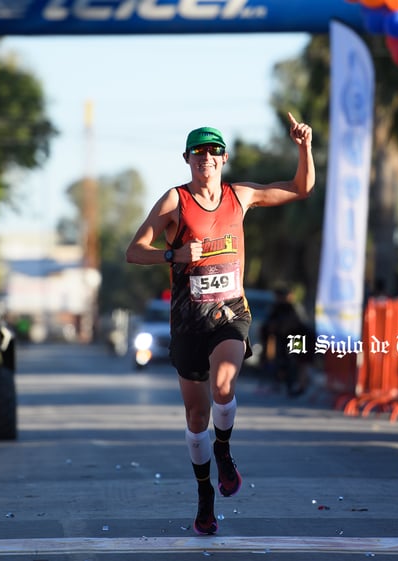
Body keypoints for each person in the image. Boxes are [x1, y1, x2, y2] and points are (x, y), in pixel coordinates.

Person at [125, 114, 314, 535]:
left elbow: (300, 188)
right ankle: (204, 495)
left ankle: (224, 452)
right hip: (188, 321)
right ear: (188, 160)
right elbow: (134, 251)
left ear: (224, 158)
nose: (205, 158)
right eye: (198, 152)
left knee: (224, 384)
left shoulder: (240, 196)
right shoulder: (175, 201)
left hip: (230, 314)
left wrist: (304, 146)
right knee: (196, 416)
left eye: (213, 151)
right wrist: (174, 256)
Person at [260, 285, 313, 397]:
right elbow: (268, 324)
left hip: (297, 338)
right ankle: (287, 384)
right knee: (283, 361)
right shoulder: (277, 308)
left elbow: (299, 325)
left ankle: (297, 385)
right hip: (282, 339)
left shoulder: (294, 308)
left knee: (295, 360)